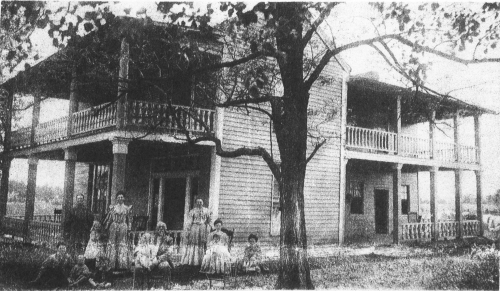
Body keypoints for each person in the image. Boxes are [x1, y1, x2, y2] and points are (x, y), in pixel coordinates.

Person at [103, 191, 132, 270]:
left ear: (124, 198)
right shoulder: (113, 208)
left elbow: (129, 220)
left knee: (121, 243)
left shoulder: (127, 208)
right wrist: (106, 226)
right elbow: (109, 219)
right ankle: (111, 264)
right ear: (116, 199)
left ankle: (121, 265)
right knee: (113, 243)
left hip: (123, 226)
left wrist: (129, 228)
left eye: (122, 197)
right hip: (114, 226)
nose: (120, 198)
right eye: (118, 197)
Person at [181, 198, 211, 266]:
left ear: (202, 203)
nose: (199, 203)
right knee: (194, 243)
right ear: (195, 203)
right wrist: (188, 230)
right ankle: (193, 261)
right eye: (197, 202)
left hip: (203, 227)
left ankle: (201, 261)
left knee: (202, 243)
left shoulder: (206, 211)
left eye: (200, 202)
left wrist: (208, 227)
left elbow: (209, 221)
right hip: (194, 228)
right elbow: (189, 222)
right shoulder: (192, 211)